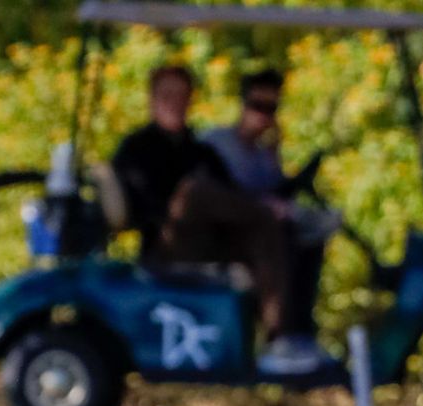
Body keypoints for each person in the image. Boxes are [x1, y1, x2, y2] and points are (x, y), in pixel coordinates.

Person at [110, 62, 318, 378]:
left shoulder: (199, 150)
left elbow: (232, 194)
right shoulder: (136, 148)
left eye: (182, 95)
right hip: (167, 245)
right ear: (152, 99)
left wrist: (271, 204)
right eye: (167, 94)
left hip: (209, 244)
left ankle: (283, 338)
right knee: (195, 192)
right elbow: (148, 207)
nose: (174, 102)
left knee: (268, 229)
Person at [204, 69, 337, 349]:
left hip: (263, 235)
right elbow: (209, 197)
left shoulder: (264, 154)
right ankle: (281, 335)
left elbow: (277, 193)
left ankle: (299, 332)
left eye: (271, 108)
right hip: (224, 238)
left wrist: (274, 153)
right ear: (243, 104)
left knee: (310, 233)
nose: (263, 115)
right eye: (257, 106)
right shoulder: (216, 143)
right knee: (279, 236)